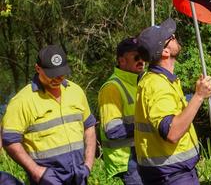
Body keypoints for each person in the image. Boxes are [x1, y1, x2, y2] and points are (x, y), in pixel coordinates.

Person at [1, 45, 96, 185]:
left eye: (61, 73)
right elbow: (10, 141)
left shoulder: (76, 91)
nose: (57, 78)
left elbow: (89, 127)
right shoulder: (22, 101)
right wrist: (36, 171)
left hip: (79, 175)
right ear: (38, 69)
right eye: (52, 74)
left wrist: (88, 165)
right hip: (47, 178)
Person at [133, 18, 211, 184]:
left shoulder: (159, 80)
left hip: (173, 173)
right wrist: (198, 97)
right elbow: (172, 132)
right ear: (165, 52)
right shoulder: (157, 85)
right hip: (172, 176)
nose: (175, 36)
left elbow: (173, 112)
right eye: (171, 37)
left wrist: (196, 96)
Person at [98, 37, 146, 184]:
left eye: (143, 56)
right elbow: (113, 130)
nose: (141, 61)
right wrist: (148, 125)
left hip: (141, 155)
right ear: (122, 61)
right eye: (136, 57)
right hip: (127, 160)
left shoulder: (140, 82)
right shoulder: (111, 88)